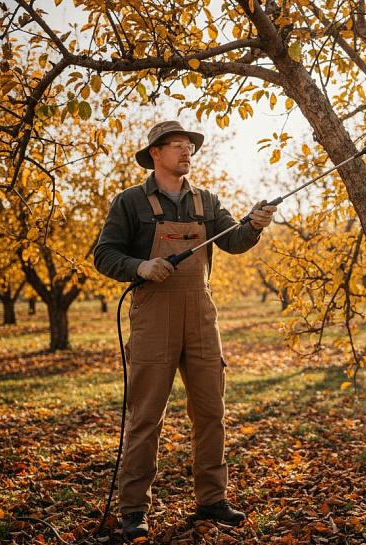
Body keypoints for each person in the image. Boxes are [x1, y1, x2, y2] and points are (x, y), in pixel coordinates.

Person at [93, 120, 276, 541]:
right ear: (155, 153)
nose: (186, 150)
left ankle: (212, 500)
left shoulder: (207, 202)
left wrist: (255, 224)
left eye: (189, 145)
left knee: (210, 411)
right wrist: (139, 266)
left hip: (201, 316)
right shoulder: (130, 202)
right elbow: (104, 254)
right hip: (153, 318)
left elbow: (234, 241)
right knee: (146, 416)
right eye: (177, 145)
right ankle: (134, 509)